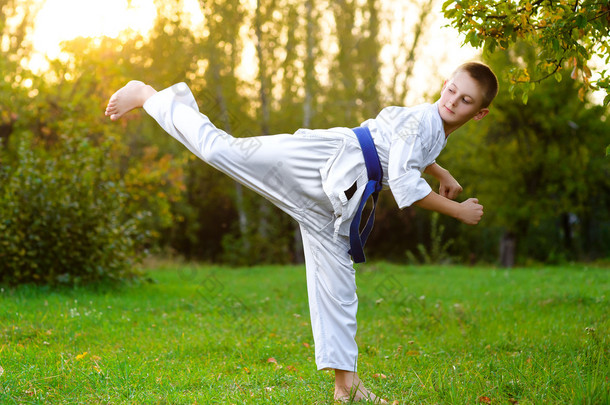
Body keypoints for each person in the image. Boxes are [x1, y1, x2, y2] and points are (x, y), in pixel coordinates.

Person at [105, 61, 498, 403]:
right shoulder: (425, 121)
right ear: (445, 83)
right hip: (320, 161)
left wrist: (439, 169)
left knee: (338, 285)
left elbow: (406, 149)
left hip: (339, 199)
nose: (452, 100)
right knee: (221, 151)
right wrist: (458, 211)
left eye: (465, 100)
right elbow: (406, 187)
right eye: (451, 89)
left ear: (479, 113)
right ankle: (149, 95)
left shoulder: (432, 130)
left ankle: (347, 386)